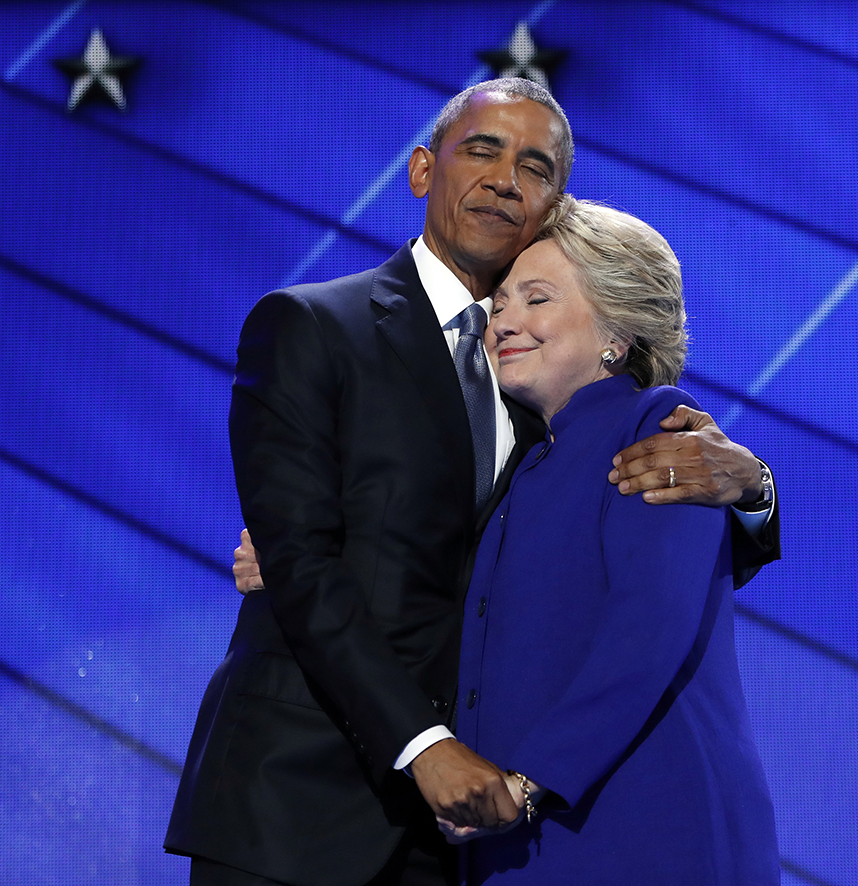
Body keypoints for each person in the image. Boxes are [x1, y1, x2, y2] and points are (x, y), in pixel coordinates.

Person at [165, 78, 778, 886]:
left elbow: (642, 563)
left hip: (469, 829)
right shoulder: (312, 326)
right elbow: (303, 560)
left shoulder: (556, 387)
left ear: (553, 205)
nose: (503, 178)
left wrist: (756, 487)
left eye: (535, 166)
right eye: (481, 149)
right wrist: (426, 745)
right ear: (422, 170)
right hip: (298, 800)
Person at [441, 197, 780, 884]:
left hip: (642, 830)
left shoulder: (654, 426)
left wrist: (530, 781)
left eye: (535, 298)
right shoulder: (521, 464)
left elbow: (649, 624)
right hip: (524, 841)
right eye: (499, 303)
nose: (503, 319)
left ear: (614, 336)